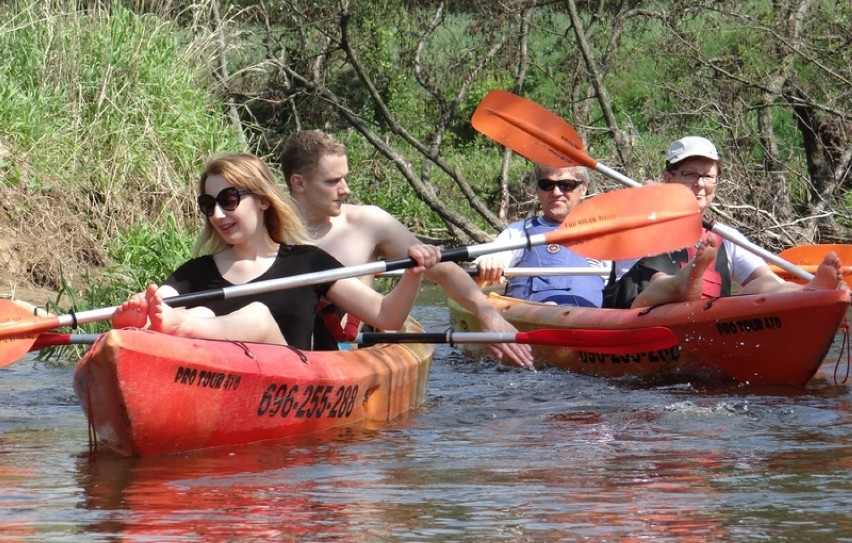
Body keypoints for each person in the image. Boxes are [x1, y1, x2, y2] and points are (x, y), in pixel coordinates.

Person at [111, 152, 441, 350]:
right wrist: (142, 307)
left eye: (228, 201)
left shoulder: (309, 263)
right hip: (210, 378)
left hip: (287, 383)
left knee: (255, 316)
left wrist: (413, 274)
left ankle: (182, 326)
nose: (217, 215)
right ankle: (173, 325)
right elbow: (159, 300)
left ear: (263, 200)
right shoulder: (194, 272)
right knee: (199, 313)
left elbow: (387, 316)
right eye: (209, 205)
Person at [280, 130, 535, 368]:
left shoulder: (369, 223)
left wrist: (486, 312)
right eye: (332, 181)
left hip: (351, 351)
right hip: (286, 349)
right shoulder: (265, 230)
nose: (345, 189)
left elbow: (443, 272)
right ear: (299, 183)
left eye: (345, 178)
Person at [607, 136, 846, 309]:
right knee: (658, 279)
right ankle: (680, 283)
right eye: (690, 174)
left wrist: (797, 293)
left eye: (708, 176)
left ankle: (808, 291)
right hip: (638, 310)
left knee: (762, 283)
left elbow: (766, 279)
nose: (700, 184)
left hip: (702, 323)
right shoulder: (641, 218)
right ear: (668, 178)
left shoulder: (724, 235)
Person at [474, 163, 609, 306]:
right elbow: (470, 282)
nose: (556, 192)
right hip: (529, 320)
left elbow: (629, 289)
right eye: (547, 184)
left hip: (588, 323)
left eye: (566, 185)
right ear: (538, 189)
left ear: (583, 189)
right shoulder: (518, 232)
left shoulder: (607, 233)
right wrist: (487, 267)